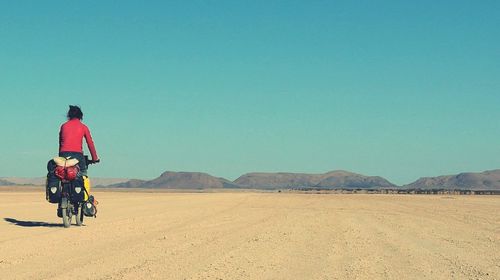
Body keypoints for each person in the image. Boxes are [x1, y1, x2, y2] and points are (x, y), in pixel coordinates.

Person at [59, 105, 100, 175]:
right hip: (77, 155)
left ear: (69, 115)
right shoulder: (83, 127)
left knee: (62, 174)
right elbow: (90, 143)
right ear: (80, 115)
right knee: (82, 173)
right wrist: (94, 158)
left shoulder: (63, 126)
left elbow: (61, 143)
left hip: (64, 154)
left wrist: (61, 156)